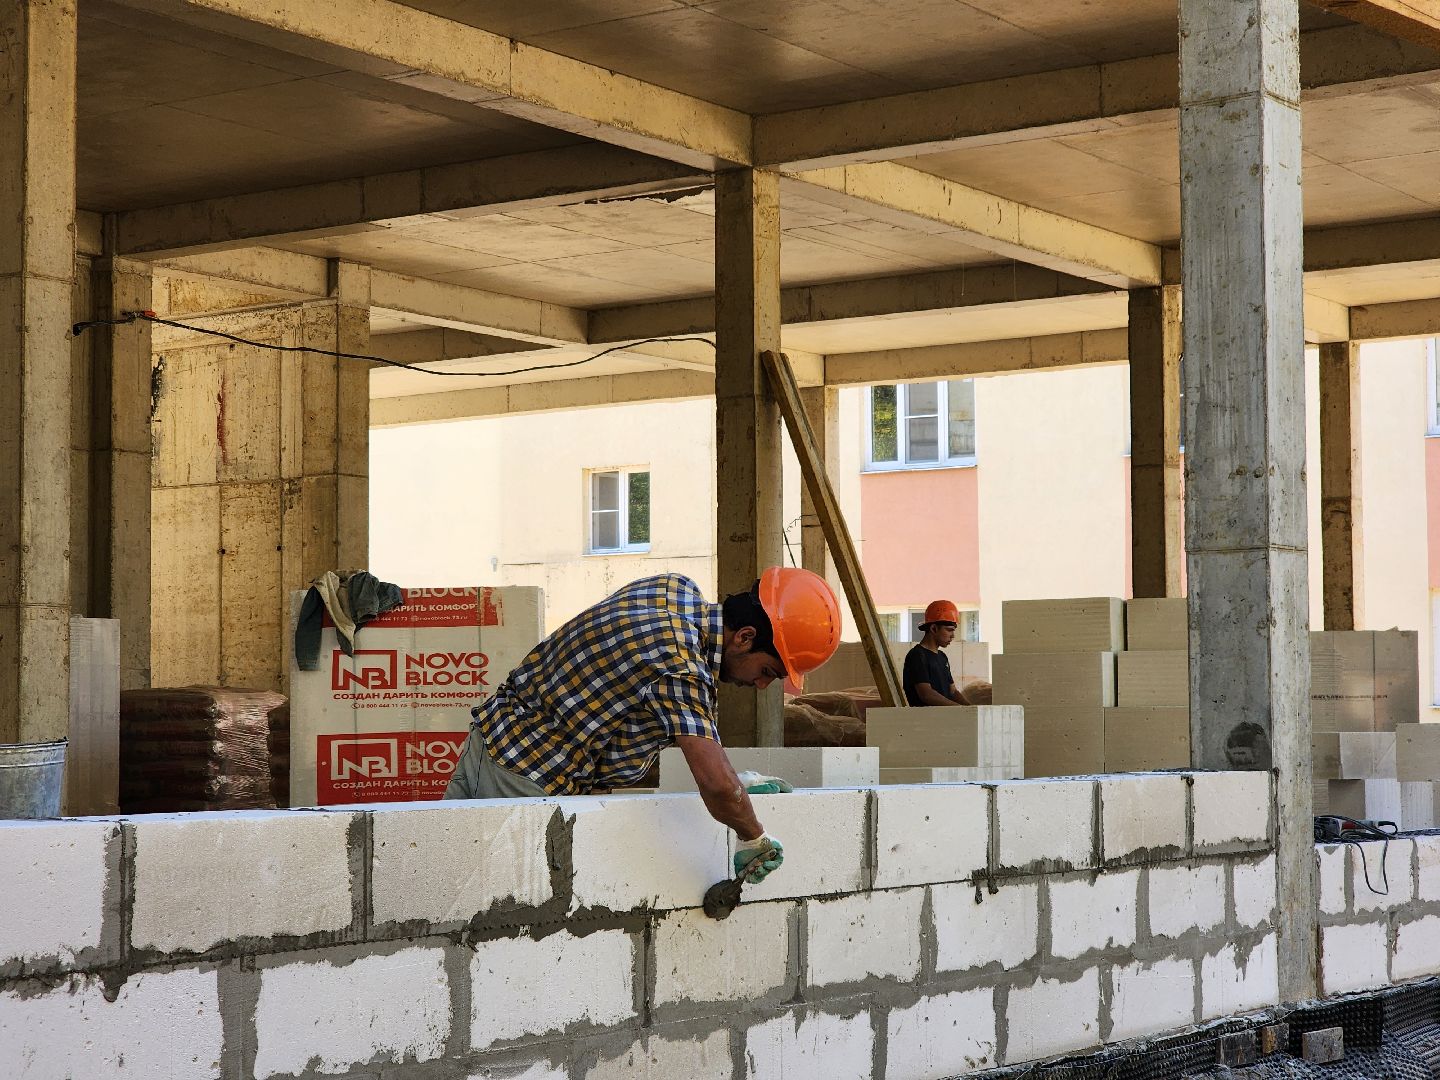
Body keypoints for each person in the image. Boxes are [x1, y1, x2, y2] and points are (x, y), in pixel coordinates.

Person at [444, 568, 841, 884]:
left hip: (490, 743)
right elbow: (716, 786)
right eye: (768, 671)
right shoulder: (680, 665)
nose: (761, 685)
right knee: (499, 923)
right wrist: (752, 834)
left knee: (442, 892)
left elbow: (622, 719)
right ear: (745, 637)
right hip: (524, 778)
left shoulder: (673, 590)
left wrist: (732, 781)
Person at [902, 600, 966, 707]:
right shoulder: (917, 656)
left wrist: (971, 708)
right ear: (934, 628)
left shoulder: (942, 657)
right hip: (926, 717)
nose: (953, 636)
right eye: (949, 630)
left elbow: (953, 691)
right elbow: (927, 694)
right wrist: (959, 709)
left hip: (944, 715)